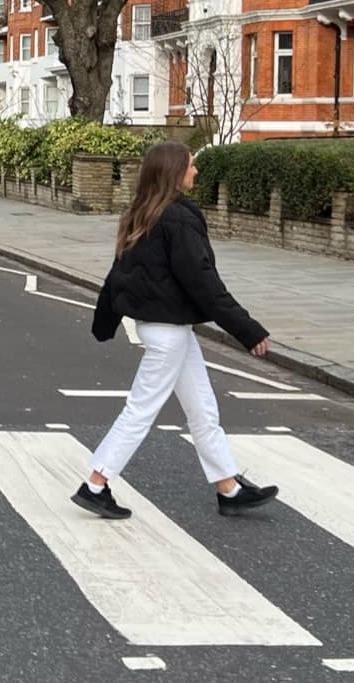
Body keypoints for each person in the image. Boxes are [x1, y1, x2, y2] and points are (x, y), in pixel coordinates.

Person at [80, 141, 279, 520]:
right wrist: (247, 329)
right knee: (139, 411)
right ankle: (95, 483)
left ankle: (229, 488)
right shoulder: (177, 219)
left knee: (203, 409)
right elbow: (203, 282)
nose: (196, 172)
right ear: (173, 172)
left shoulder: (142, 213)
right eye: (190, 166)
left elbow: (118, 275)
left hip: (168, 329)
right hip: (168, 333)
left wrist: (103, 321)